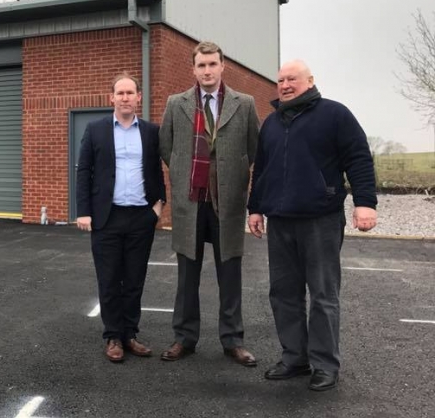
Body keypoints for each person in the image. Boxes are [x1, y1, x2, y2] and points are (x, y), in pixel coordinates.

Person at [247, 60, 377, 392]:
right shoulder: (272, 123)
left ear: (310, 81)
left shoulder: (335, 115)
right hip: (280, 221)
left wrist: (365, 202)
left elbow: (358, 157)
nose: (285, 85)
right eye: (280, 80)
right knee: (283, 294)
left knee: (323, 295)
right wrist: (255, 208)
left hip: (321, 219)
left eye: (292, 79)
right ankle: (295, 358)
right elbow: (262, 169)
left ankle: (325, 364)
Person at [158, 41, 260, 366]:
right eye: (201, 65)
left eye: (212, 64)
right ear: (193, 69)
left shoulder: (244, 104)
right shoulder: (177, 103)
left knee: (229, 274)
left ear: (222, 66)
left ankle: (233, 340)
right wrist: (182, 172)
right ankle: (184, 338)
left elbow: (254, 149)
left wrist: (231, 177)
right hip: (191, 202)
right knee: (187, 276)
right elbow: (166, 147)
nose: (207, 71)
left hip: (227, 204)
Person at [76, 73, 167, 362]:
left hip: (141, 217)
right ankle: (113, 336)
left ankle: (130, 334)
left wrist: (158, 206)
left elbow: (156, 170)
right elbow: (84, 170)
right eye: (120, 93)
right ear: (111, 98)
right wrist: (84, 211)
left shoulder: (151, 132)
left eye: (130, 93)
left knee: (134, 279)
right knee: (109, 279)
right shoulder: (96, 130)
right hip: (107, 217)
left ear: (139, 97)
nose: (125, 98)